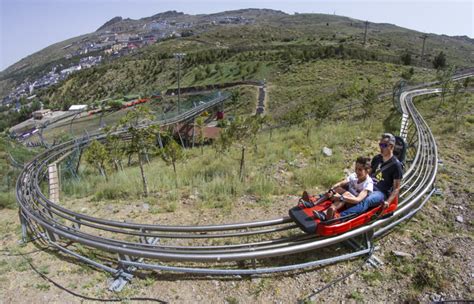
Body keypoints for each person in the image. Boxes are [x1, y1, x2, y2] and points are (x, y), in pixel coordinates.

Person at [338, 133, 403, 218]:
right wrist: (354, 179)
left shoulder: (396, 165)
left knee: (367, 200)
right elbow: (367, 173)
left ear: (391, 146)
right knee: (345, 184)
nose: (381, 147)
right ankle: (324, 202)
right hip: (369, 184)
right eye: (380, 144)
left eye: (384, 145)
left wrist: (388, 202)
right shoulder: (377, 158)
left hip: (381, 192)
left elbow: (396, 188)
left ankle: (341, 217)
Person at [313, 156, 374, 221]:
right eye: (356, 168)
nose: (356, 171)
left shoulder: (368, 184)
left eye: (360, 170)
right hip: (347, 197)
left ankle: (325, 214)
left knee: (346, 194)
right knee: (337, 188)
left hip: (354, 204)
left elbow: (357, 200)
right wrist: (333, 188)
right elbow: (342, 183)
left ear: (367, 171)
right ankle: (314, 203)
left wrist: (340, 197)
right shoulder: (354, 175)